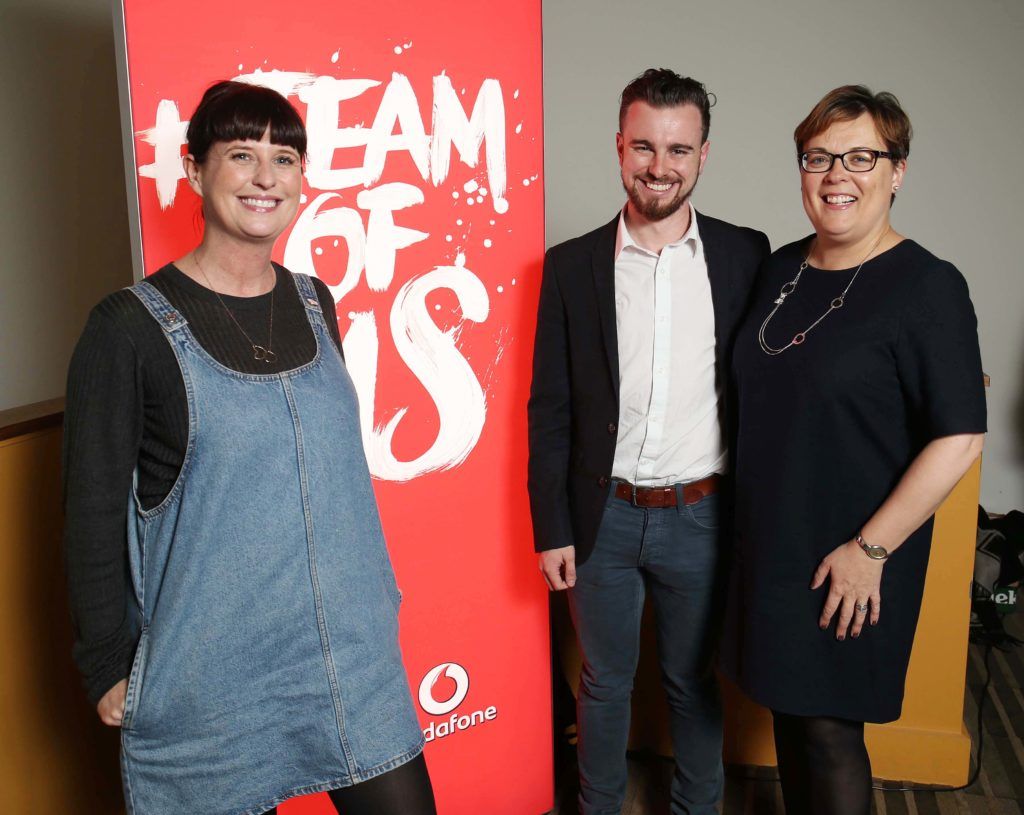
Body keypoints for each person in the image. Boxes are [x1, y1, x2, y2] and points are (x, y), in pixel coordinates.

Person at [63, 80, 436, 815]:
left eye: (285, 157)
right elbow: (92, 508)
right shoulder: (127, 329)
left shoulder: (313, 299)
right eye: (241, 154)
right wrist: (106, 662)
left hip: (345, 656)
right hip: (214, 671)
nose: (267, 177)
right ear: (196, 170)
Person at [722, 85, 986, 815]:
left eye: (861, 156)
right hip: (771, 545)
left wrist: (870, 550)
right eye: (819, 157)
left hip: (853, 554)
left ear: (897, 170)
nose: (838, 174)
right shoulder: (779, 271)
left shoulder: (929, 286)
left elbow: (960, 433)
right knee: (789, 719)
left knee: (831, 732)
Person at [528, 68, 769, 815]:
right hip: (602, 518)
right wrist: (552, 526)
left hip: (701, 513)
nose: (658, 166)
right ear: (619, 147)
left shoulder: (745, 256)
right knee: (603, 683)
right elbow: (551, 406)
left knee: (691, 680)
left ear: (703, 156)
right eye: (643, 146)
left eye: (677, 148)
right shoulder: (570, 266)